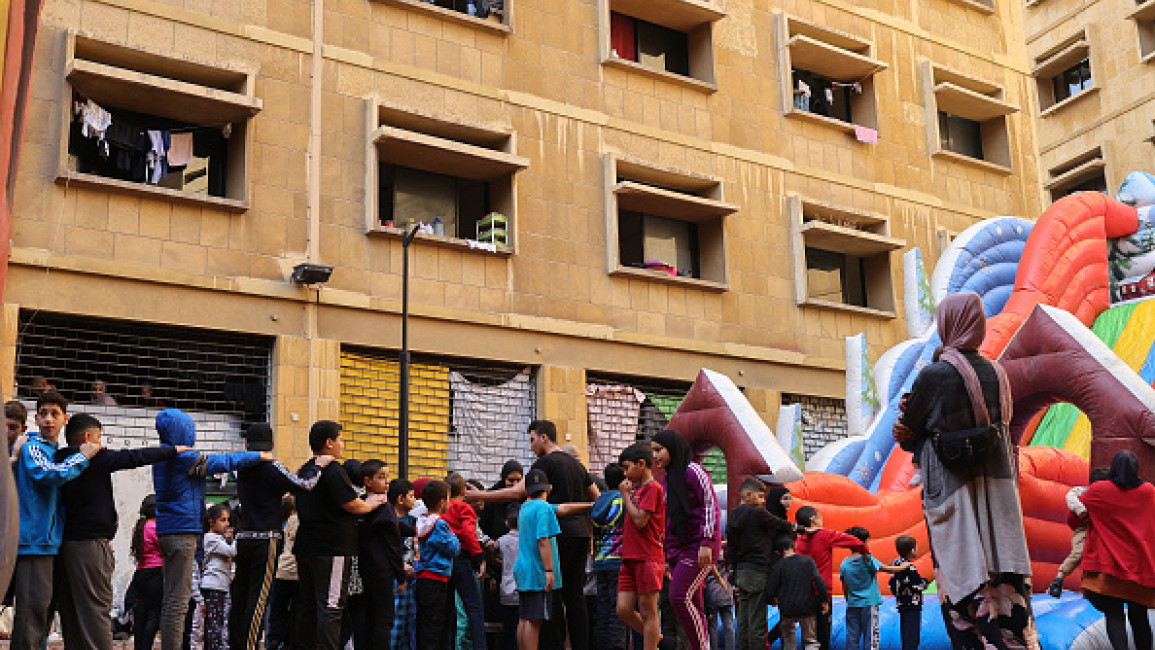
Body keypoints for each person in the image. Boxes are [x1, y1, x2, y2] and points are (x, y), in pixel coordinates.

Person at [895, 292, 1036, 649]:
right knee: (1004, 574)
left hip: (954, 496)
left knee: (963, 579)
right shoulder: (998, 373)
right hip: (998, 497)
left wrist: (907, 428)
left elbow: (911, 435)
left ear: (947, 324)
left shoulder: (934, 376)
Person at [54, 413, 185, 650]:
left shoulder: (59, 459)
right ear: (88, 438)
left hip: (66, 544)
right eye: (100, 438)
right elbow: (135, 456)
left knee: (72, 610)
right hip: (90, 545)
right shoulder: (95, 458)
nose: (102, 444)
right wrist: (173, 450)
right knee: (97, 610)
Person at [467, 419, 599, 650]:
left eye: (531, 440)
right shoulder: (578, 466)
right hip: (579, 535)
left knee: (553, 596)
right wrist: (589, 532)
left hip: (556, 534)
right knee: (576, 597)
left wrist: (482, 495)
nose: (531, 446)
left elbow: (517, 492)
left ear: (543, 437)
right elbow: (595, 497)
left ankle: (554, 645)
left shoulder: (544, 466)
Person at [151, 408, 267, 650]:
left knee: (174, 599)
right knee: (178, 602)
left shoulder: (166, 456)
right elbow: (218, 463)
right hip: (180, 532)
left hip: (173, 531)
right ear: (183, 431)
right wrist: (257, 456)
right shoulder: (181, 457)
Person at [11, 391, 101, 650]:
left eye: (55, 414)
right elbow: (48, 475)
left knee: (41, 616)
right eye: (44, 414)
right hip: (33, 543)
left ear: (65, 419)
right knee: (31, 616)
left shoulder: (54, 451)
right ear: (36, 419)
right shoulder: (34, 448)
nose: (49, 419)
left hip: (49, 544)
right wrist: (83, 456)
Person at [229, 423, 328, 650]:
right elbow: (305, 484)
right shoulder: (271, 466)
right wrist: (318, 466)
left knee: (240, 597)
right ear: (272, 445)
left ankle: (237, 644)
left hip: (243, 538)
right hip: (267, 539)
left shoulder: (241, 467)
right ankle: (250, 645)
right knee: (259, 599)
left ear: (246, 444)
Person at [293, 421, 388, 650]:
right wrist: (370, 503)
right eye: (341, 440)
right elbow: (351, 504)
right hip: (332, 548)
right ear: (329, 443)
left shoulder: (306, 468)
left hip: (305, 546)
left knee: (308, 605)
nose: (342, 445)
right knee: (331, 606)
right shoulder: (333, 469)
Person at [1072, 450, 1155, 650]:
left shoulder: (1099, 490)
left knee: (1113, 612)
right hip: (1140, 566)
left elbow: (1073, 517)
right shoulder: (1149, 492)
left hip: (1108, 567)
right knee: (1139, 614)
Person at [651, 429, 721, 650]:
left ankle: (701, 646)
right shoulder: (666, 480)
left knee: (679, 596)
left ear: (672, 448)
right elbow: (666, 521)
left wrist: (706, 542)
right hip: (677, 550)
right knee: (695, 603)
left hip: (698, 546)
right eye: (652, 451)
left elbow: (710, 506)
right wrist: (665, 556)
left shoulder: (694, 471)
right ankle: (699, 645)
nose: (655, 456)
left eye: (658, 450)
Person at [515, 468, 594, 650]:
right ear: (549, 489)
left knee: (525, 618)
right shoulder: (543, 508)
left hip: (524, 571)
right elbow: (543, 540)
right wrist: (549, 571)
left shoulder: (526, 507)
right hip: (538, 572)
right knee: (535, 621)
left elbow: (564, 508)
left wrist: (590, 505)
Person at [726, 479, 801, 650]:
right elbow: (778, 523)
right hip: (757, 570)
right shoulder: (756, 513)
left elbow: (731, 547)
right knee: (757, 620)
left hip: (742, 572)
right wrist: (799, 528)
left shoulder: (733, 514)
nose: (762, 501)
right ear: (748, 494)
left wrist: (733, 574)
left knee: (743, 618)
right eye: (760, 497)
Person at [613, 442, 665, 650]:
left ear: (641, 464)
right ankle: (657, 638)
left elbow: (640, 520)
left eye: (627, 468)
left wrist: (625, 496)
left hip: (648, 556)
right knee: (623, 609)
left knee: (647, 610)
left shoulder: (653, 488)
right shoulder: (636, 490)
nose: (625, 474)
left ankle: (652, 644)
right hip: (630, 557)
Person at [793, 505, 864, 650]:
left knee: (804, 631)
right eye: (819, 516)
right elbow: (853, 541)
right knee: (823, 632)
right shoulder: (824, 535)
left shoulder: (798, 543)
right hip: (822, 593)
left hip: (803, 594)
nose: (822, 518)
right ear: (814, 520)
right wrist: (865, 550)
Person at [355, 460, 407, 650]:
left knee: (365, 619)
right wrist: (400, 576)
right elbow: (393, 545)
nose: (386, 482)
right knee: (383, 620)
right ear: (367, 481)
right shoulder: (384, 508)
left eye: (387, 477)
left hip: (362, 569)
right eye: (381, 477)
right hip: (381, 571)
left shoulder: (358, 504)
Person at [839, 527, 908, 650]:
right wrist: (904, 566)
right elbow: (887, 569)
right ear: (863, 543)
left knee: (852, 636)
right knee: (871, 636)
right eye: (868, 541)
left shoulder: (844, 563)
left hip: (853, 605)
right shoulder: (867, 559)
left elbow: (845, 586)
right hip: (869, 604)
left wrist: (849, 600)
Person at [441, 473, 488, 650]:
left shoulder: (442, 509)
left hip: (444, 560)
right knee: (473, 606)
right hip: (462, 559)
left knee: (447, 609)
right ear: (463, 491)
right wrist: (479, 558)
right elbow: (469, 534)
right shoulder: (464, 508)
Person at [1049, 467, 1111, 597]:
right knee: (1079, 552)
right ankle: (1059, 578)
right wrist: (1081, 509)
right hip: (1083, 528)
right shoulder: (1082, 491)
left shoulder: (1109, 496)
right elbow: (1070, 496)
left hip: (1099, 529)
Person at [415, 480, 460, 649]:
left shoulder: (422, 521)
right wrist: (454, 536)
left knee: (424, 622)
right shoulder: (440, 525)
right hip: (437, 578)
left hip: (423, 577)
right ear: (442, 502)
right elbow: (453, 548)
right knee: (434, 625)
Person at [764, 536, 828, 650]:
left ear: (778, 553)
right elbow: (819, 581)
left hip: (787, 609)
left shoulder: (778, 566)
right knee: (810, 640)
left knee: (788, 638)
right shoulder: (808, 561)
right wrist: (824, 600)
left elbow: (770, 589)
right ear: (794, 546)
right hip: (808, 607)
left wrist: (771, 599)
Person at [591, 462, 627, 650]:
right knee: (618, 610)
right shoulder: (623, 500)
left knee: (603, 608)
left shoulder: (599, 501)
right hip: (619, 561)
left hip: (600, 560)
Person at [131, 495, 164, 650]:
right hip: (155, 572)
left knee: (141, 614)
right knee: (154, 614)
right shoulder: (155, 527)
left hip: (141, 571)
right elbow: (164, 547)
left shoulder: (141, 526)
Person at [389, 478, 418, 650]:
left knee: (408, 623)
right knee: (394, 624)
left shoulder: (413, 520)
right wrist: (401, 565)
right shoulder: (388, 519)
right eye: (411, 496)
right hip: (394, 578)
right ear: (400, 499)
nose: (414, 500)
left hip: (410, 579)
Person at [201, 504, 236, 650]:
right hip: (213, 585)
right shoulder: (210, 538)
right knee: (214, 623)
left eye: (228, 520)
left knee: (220, 621)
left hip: (221, 585)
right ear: (211, 522)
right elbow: (231, 552)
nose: (226, 524)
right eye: (222, 520)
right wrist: (237, 538)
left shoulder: (217, 538)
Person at [266, 497, 298, 650]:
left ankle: (274, 638)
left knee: (278, 608)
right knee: (296, 609)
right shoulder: (300, 520)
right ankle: (290, 641)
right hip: (298, 572)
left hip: (281, 570)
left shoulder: (278, 525)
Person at [888, 535, 928, 650]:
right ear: (912, 550)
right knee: (913, 636)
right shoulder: (909, 568)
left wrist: (898, 594)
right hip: (913, 605)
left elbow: (891, 584)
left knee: (906, 635)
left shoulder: (895, 565)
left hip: (902, 604)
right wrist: (925, 581)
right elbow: (920, 584)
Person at [495, 505, 521, 650]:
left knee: (507, 629)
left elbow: (495, 555)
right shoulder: (528, 540)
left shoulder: (501, 541)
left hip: (506, 589)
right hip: (522, 589)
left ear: (506, 523)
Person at [479, 460, 524, 542]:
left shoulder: (524, 498)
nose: (515, 485)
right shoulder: (491, 497)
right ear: (503, 479)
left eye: (519, 480)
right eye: (511, 480)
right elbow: (482, 527)